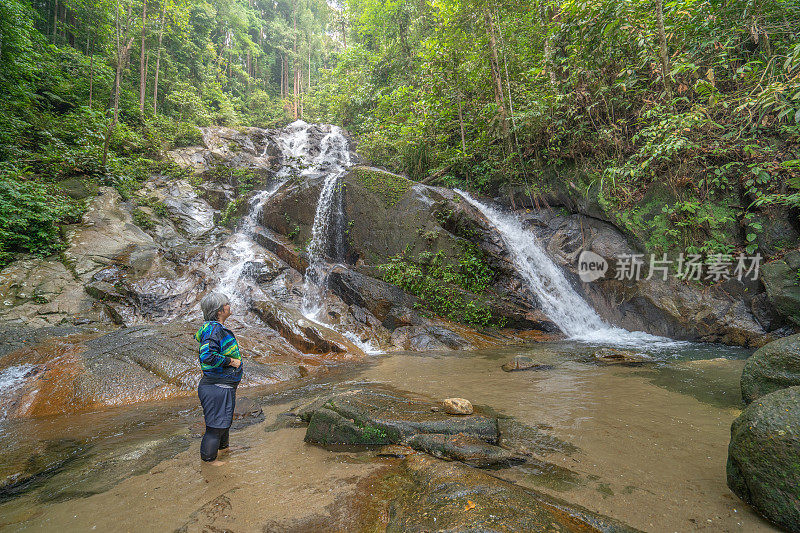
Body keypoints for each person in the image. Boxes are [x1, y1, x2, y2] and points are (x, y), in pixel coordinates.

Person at [195, 292, 243, 464]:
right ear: (220, 310)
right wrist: (231, 361)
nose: (229, 305)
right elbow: (207, 356)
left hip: (223, 385)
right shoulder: (213, 330)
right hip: (216, 386)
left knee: (224, 421)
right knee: (215, 426)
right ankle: (209, 460)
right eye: (227, 303)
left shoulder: (215, 328)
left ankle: (224, 449)